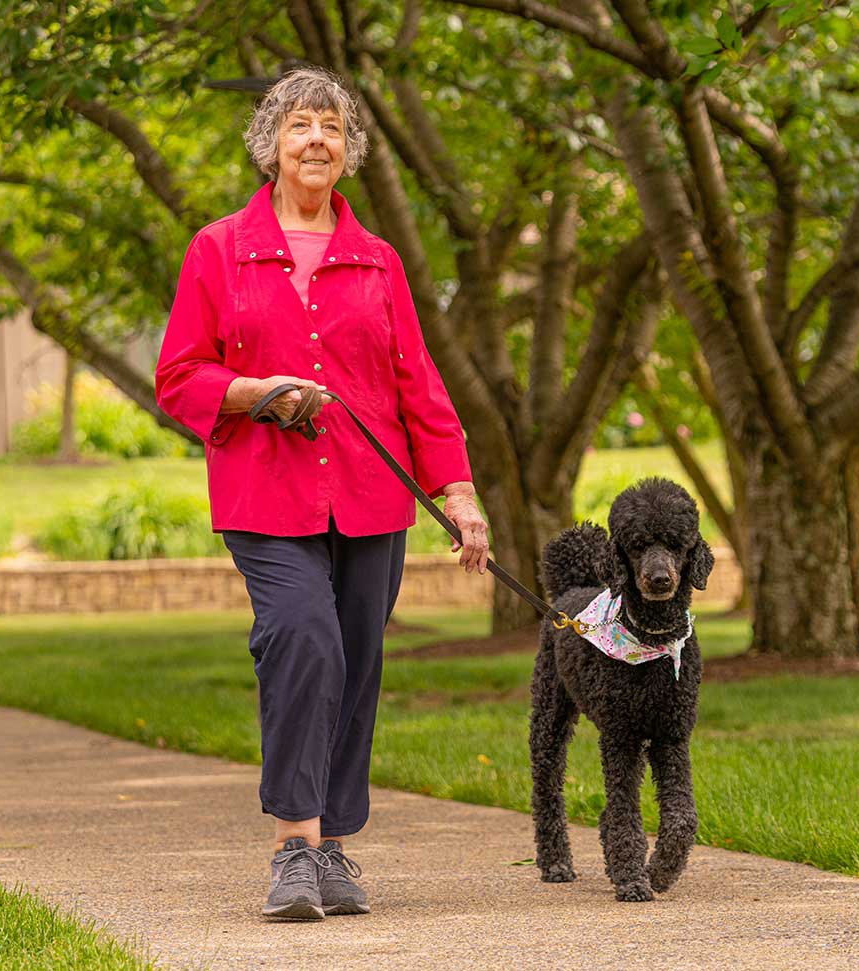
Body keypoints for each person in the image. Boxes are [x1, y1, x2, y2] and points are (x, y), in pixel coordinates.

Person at [153, 66, 491, 921]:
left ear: (349, 154)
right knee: (301, 639)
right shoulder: (216, 249)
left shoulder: (377, 262)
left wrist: (459, 493)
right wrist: (252, 391)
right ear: (271, 143)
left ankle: (334, 845)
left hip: (373, 498)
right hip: (264, 494)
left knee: (356, 662)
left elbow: (420, 385)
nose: (316, 141)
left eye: (332, 130)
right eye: (301, 125)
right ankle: (293, 848)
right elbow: (179, 377)